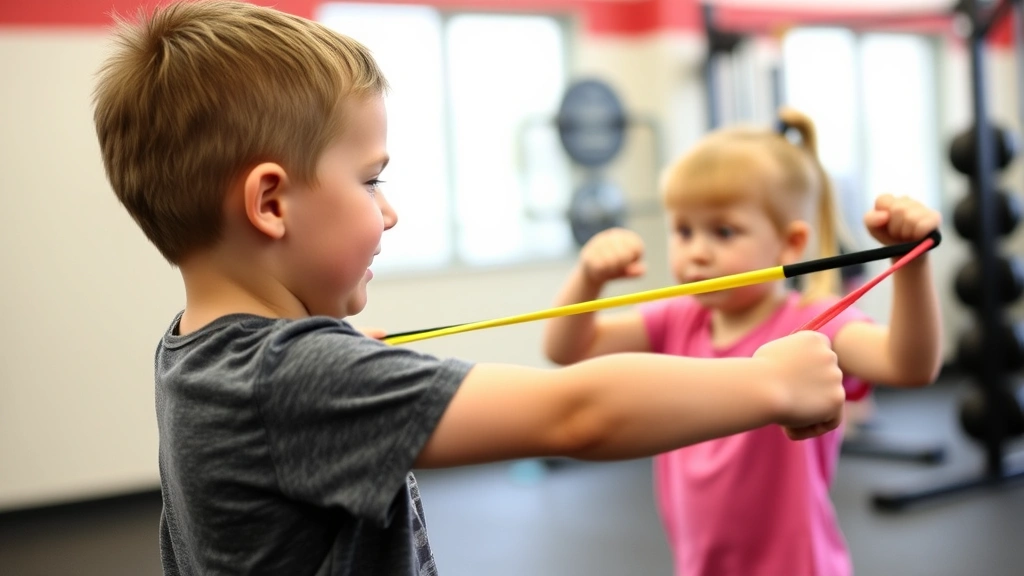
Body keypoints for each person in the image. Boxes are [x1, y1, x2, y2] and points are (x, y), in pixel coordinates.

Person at [92, 3, 848, 575]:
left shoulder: (190, 351)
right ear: (270, 203)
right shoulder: (291, 378)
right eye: (370, 179)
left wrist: (339, 361)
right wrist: (766, 384)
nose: (389, 211)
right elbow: (577, 414)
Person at [542, 108, 943, 576]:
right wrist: (588, 278)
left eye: (724, 231)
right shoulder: (676, 319)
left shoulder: (814, 324)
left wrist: (912, 267)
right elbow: (568, 348)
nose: (697, 251)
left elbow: (909, 366)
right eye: (684, 230)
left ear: (790, 245)